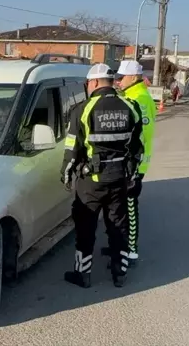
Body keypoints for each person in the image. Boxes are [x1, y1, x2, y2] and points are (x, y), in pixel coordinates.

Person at [61, 63, 144, 288]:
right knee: (118, 226)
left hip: (91, 182)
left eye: (88, 83)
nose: (88, 87)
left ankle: (83, 274)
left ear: (95, 82)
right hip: (119, 179)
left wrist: (66, 175)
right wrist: (133, 174)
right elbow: (137, 148)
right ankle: (120, 273)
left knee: (85, 227)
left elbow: (72, 149)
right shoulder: (131, 106)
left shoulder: (83, 109)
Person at [100, 60, 156, 268]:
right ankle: (120, 246)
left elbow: (141, 137)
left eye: (121, 78)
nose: (118, 82)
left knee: (130, 208)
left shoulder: (139, 99)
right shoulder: (132, 95)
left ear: (133, 77)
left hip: (134, 165)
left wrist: (136, 169)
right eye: (116, 78)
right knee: (120, 208)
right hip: (129, 164)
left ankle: (131, 251)